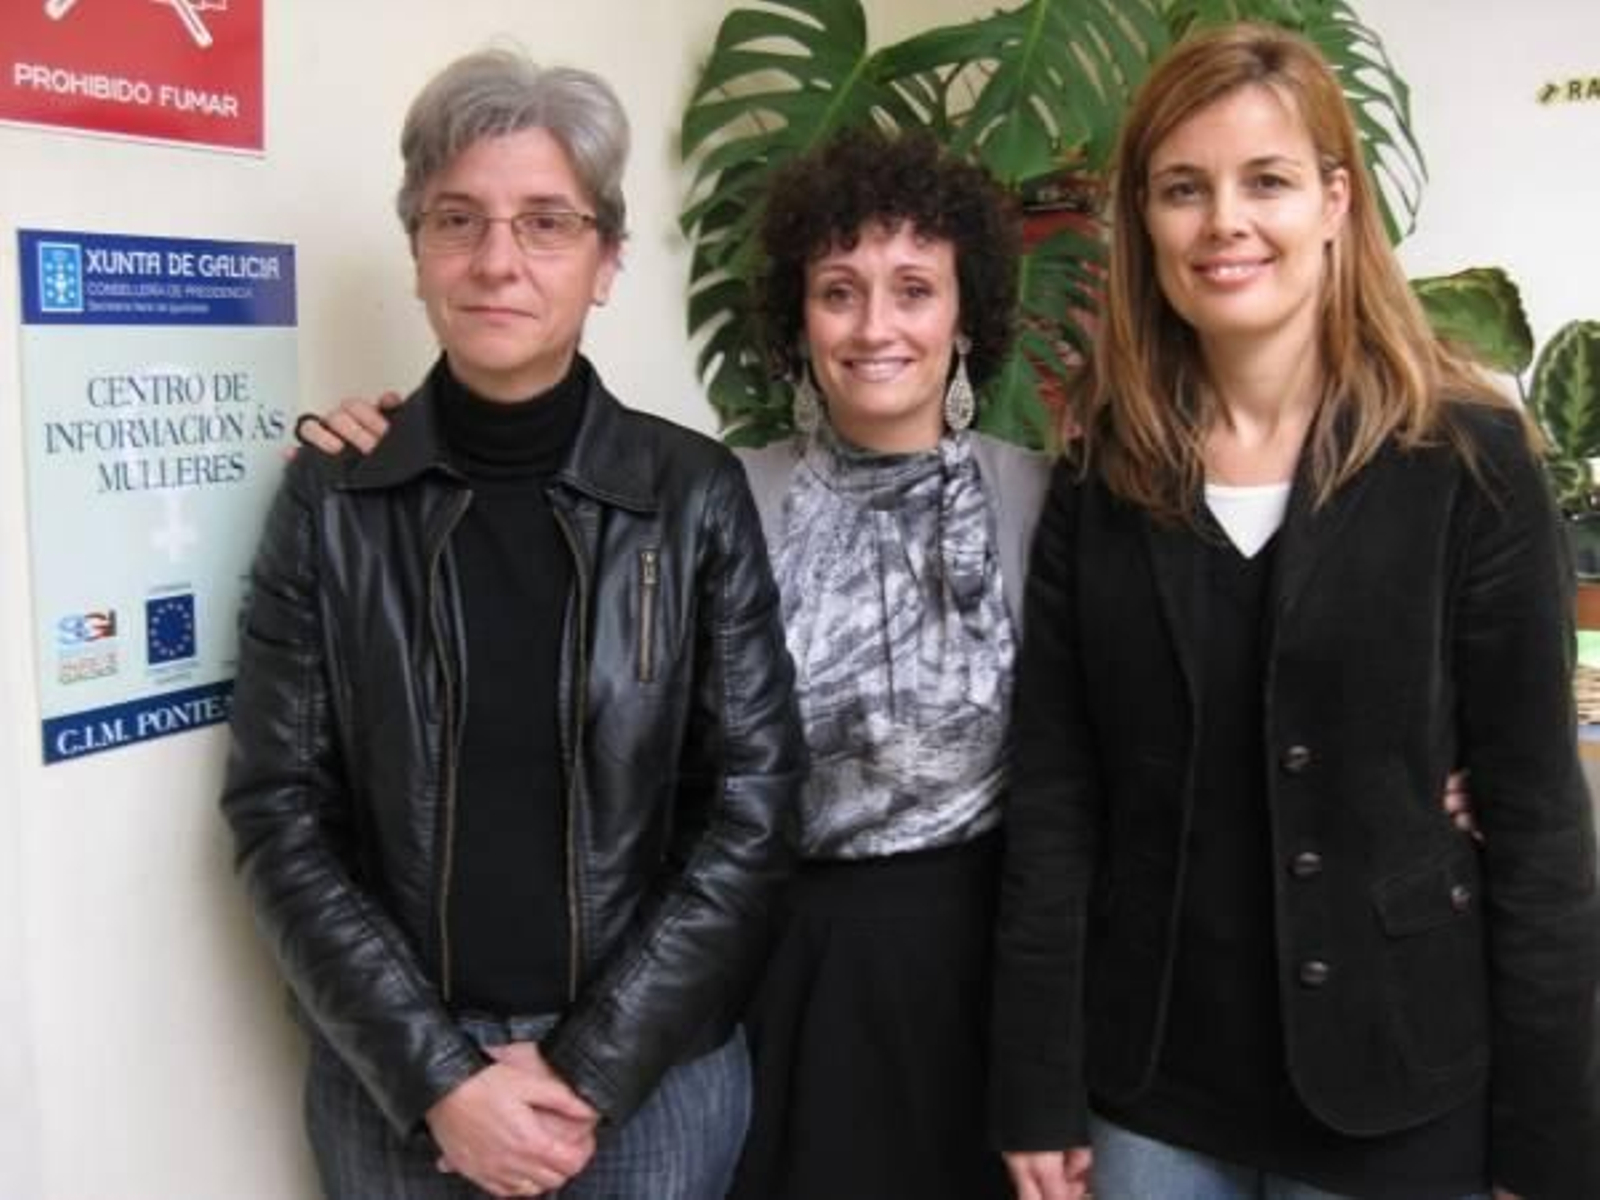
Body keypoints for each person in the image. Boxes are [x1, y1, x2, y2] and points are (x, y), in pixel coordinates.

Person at [307, 125, 1046, 1199]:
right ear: (797, 320)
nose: (874, 326)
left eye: (913, 290)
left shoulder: (1044, 502)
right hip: (758, 973)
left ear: (964, 312)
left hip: (973, 975)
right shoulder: (707, 495)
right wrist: (387, 439)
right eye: (838, 290)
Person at [990, 22, 1600, 1200]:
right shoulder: (1100, 477)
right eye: (1182, 189)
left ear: (1333, 200)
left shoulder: (1467, 464)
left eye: (1263, 180)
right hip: (1153, 1087)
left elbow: (1535, 827)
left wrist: (1549, 1147)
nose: (1224, 222)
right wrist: (1034, 1082)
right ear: (1144, 224)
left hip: (1400, 1080)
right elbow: (1058, 801)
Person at [220, 48, 804, 1200]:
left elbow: (750, 803)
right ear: (418, 249)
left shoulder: (689, 497)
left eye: (545, 222)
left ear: (605, 261)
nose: (497, 261)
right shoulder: (334, 500)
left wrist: (586, 1070)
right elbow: (279, 810)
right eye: (458, 219)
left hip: (649, 1094)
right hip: (397, 1087)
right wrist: (444, 1080)